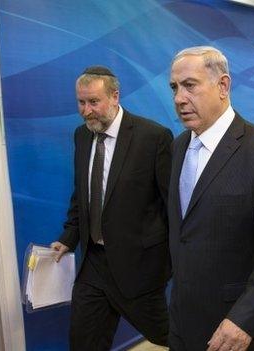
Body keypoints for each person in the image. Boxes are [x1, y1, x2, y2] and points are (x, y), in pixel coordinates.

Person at [167, 46, 254, 351]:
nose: (179, 98)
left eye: (190, 85)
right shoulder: (177, 149)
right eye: (174, 87)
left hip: (242, 327)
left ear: (223, 86)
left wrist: (244, 319)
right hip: (185, 321)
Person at [50, 66, 172, 350]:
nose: (86, 111)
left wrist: (170, 263)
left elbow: (172, 206)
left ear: (115, 96)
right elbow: (82, 193)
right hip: (94, 263)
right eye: (81, 102)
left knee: (172, 336)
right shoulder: (82, 136)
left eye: (94, 102)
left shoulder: (153, 137)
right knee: (84, 341)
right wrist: (69, 239)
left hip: (138, 267)